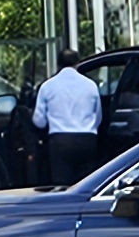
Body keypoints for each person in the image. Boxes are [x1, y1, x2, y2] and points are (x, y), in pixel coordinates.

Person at [32, 51, 103, 189]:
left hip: (60, 141)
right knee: (87, 185)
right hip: (87, 140)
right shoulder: (91, 85)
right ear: (78, 63)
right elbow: (98, 116)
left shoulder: (48, 86)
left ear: (58, 64)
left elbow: (39, 121)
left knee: (63, 187)